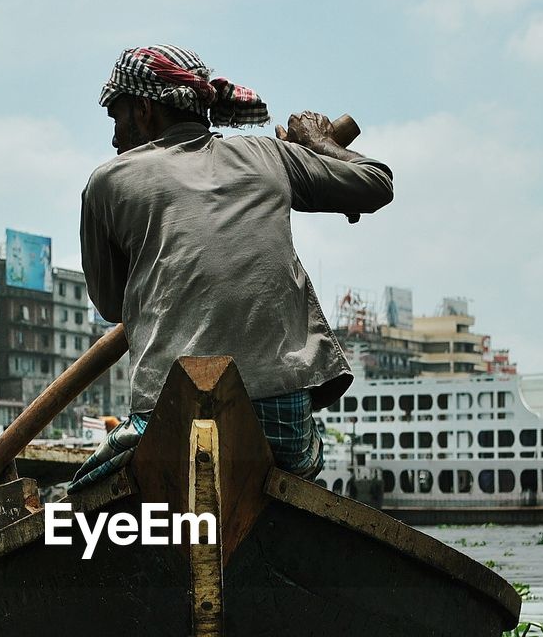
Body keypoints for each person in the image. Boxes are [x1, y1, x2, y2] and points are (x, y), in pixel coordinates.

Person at [71, 44, 393, 490]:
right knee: (302, 459)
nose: (114, 139)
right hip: (281, 425)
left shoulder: (108, 182)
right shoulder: (269, 156)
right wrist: (320, 145)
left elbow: (110, 305)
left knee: (85, 492)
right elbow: (375, 183)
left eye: (116, 119)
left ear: (143, 109)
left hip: (169, 420)